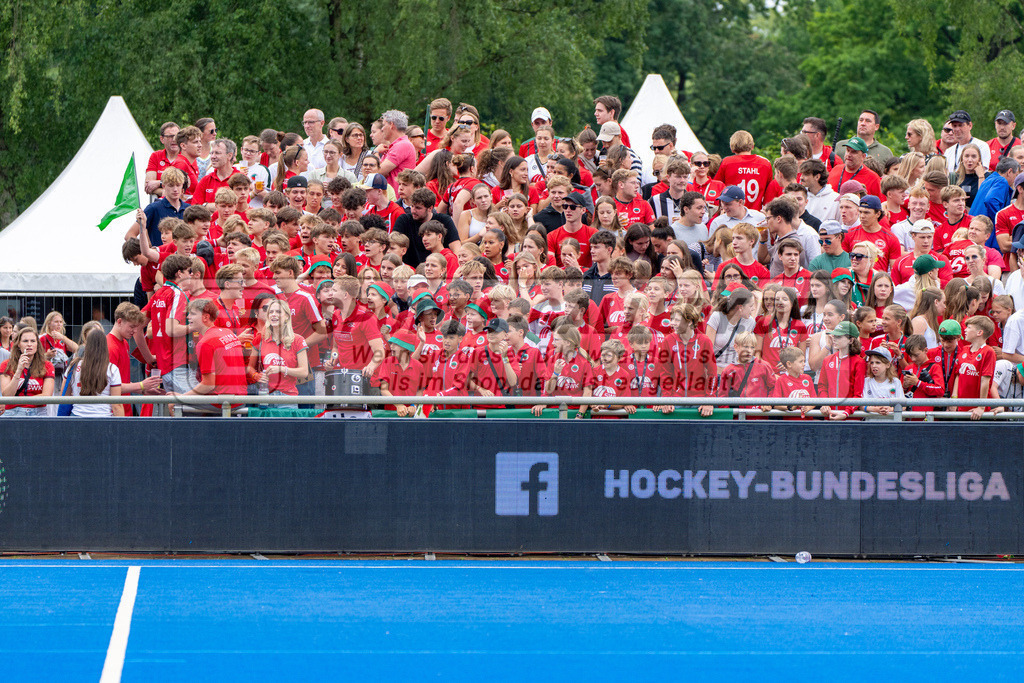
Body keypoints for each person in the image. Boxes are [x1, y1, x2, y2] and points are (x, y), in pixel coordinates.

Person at [178, 298, 248, 405]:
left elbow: (208, 385)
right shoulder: (227, 332)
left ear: (206, 317)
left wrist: (181, 397)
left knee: (173, 404)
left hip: (222, 402)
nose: (188, 317)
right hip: (241, 398)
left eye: (192, 314)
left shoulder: (205, 343)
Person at [393, 188, 461, 268]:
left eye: (418, 208)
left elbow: (456, 247)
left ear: (430, 208)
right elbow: (394, 245)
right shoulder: (404, 220)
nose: (413, 211)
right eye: (412, 206)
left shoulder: (444, 220)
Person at [66, 328, 123, 417]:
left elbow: (65, 395)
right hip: (103, 418)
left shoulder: (74, 365)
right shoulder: (112, 369)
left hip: (77, 417)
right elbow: (117, 405)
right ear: (105, 346)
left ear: (87, 345)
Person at [1, 327, 55, 416]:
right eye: (25, 341)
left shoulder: (47, 365)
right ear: (18, 344)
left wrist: (19, 401)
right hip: (13, 412)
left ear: (37, 344)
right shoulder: (6, 365)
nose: (29, 344)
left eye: (33, 341)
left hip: (38, 412)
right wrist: (18, 371)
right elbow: (7, 396)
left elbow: (46, 396)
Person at [951, 315, 997, 419]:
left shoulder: (988, 351)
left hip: (976, 412)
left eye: (969, 327)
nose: (965, 330)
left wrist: (981, 407)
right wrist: (954, 399)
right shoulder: (964, 349)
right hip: (961, 408)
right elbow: (959, 375)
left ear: (979, 332)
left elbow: (985, 381)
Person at [714, 130, 772, 210]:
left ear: (732, 148)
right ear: (752, 146)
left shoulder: (727, 162)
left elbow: (717, 186)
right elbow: (769, 192)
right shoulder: (765, 163)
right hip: (756, 213)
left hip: (732, 212)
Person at [378, 110, 416, 189]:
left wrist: (375, 152)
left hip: (395, 198)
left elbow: (377, 172)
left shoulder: (402, 145)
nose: (382, 129)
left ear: (391, 124)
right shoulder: (399, 145)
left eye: (383, 125)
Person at [862, 346, 901, 414]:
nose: (874, 366)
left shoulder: (895, 382)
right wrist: (876, 409)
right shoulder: (866, 381)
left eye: (878, 362)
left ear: (888, 365)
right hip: (871, 422)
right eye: (872, 363)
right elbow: (861, 406)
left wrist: (889, 409)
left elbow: (903, 405)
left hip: (890, 422)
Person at [146, 122, 180, 196]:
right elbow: (148, 186)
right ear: (162, 139)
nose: (174, 139)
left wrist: (159, 183)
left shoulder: (186, 156)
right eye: (170, 136)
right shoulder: (156, 156)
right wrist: (166, 193)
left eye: (177, 136)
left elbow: (185, 186)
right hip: (160, 204)